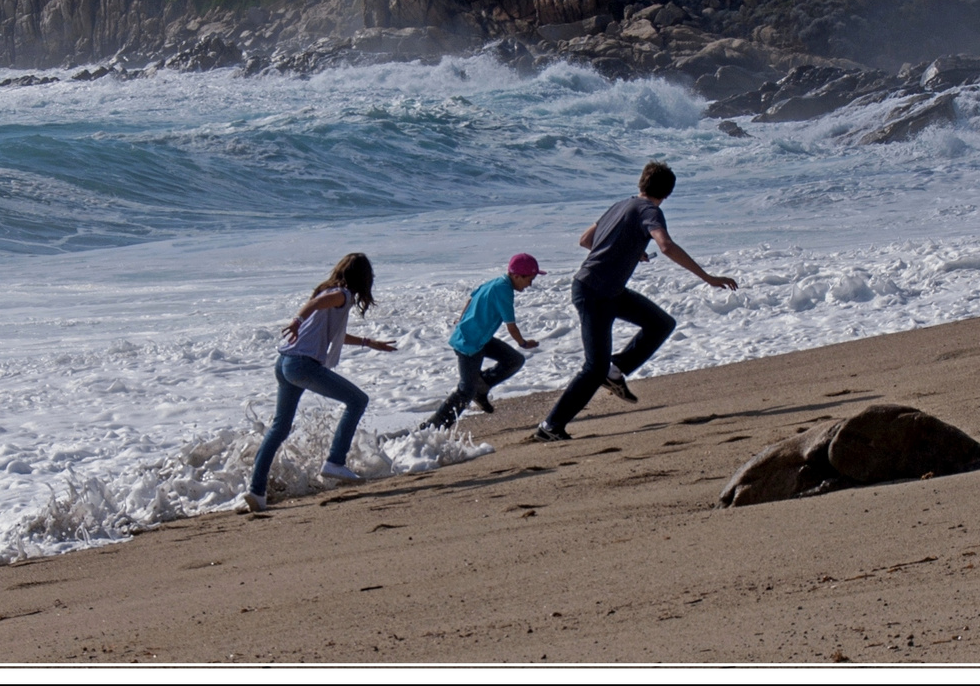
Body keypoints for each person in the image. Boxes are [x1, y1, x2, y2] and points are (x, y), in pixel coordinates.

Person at [535, 161, 737, 441]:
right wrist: (707, 277)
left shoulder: (621, 205)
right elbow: (665, 245)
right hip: (595, 292)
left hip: (605, 290)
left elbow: (586, 239)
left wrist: (628, 249)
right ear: (668, 192)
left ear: (641, 183)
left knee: (661, 323)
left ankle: (615, 371)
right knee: (594, 367)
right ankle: (550, 427)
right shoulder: (651, 211)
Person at [244, 253, 398, 513]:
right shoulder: (342, 295)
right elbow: (315, 305)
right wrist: (296, 321)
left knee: (279, 428)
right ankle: (335, 461)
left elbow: (332, 333)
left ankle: (256, 492)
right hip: (302, 365)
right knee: (358, 400)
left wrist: (368, 342)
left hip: (284, 363)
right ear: (363, 277)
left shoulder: (333, 293)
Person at [422, 253, 544, 429]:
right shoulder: (504, 291)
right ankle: (432, 427)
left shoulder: (495, 282)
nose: (530, 284)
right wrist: (523, 343)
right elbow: (511, 326)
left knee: (514, 360)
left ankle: (482, 387)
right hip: (469, 344)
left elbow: (470, 298)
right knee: (465, 391)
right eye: (529, 279)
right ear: (517, 276)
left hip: (480, 339)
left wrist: (461, 319)